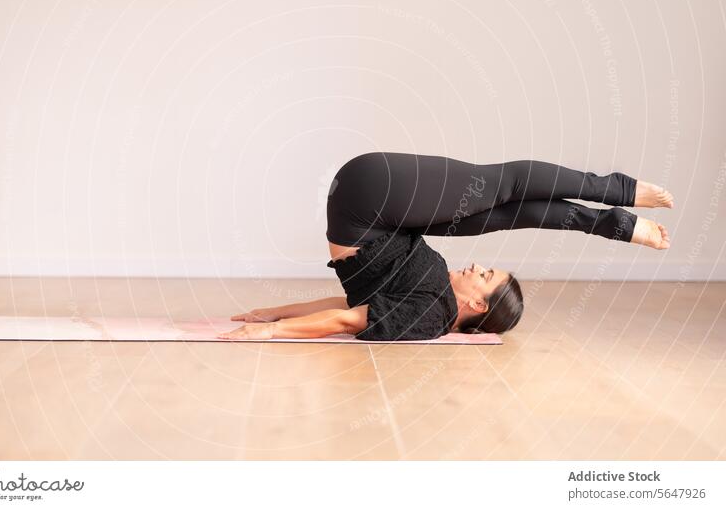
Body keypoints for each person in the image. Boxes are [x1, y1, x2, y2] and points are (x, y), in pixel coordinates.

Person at [219, 152, 673, 341]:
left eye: (486, 276)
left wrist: (272, 328)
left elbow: (345, 315)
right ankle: (620, 225)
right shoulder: (430, 303)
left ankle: (620, 190)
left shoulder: (429, 316)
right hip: (377, 207)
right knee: (512, 211)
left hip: (372, 201)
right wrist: (274, 313)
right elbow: (348, 302)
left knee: (507, 183)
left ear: (477, 303)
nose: (477, 267)